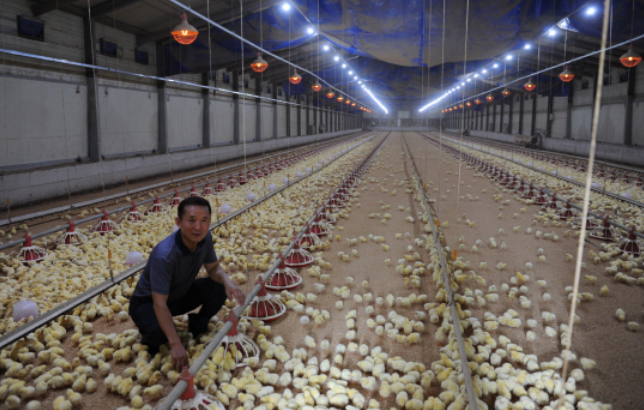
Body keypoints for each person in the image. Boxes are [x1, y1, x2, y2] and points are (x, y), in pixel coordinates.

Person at [129, 196, 245, 370]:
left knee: (218, 287)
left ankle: (197, 323)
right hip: (148, 302)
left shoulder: (204, 239)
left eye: (204, 220)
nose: (198, 227)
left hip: (177, 295)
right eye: (191, 220)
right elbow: (159, 303)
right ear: (179, 222)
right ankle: (150, 335)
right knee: (158, 337)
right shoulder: (165, 255)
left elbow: (214, 269)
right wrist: (175, 343)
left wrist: (230, 283)